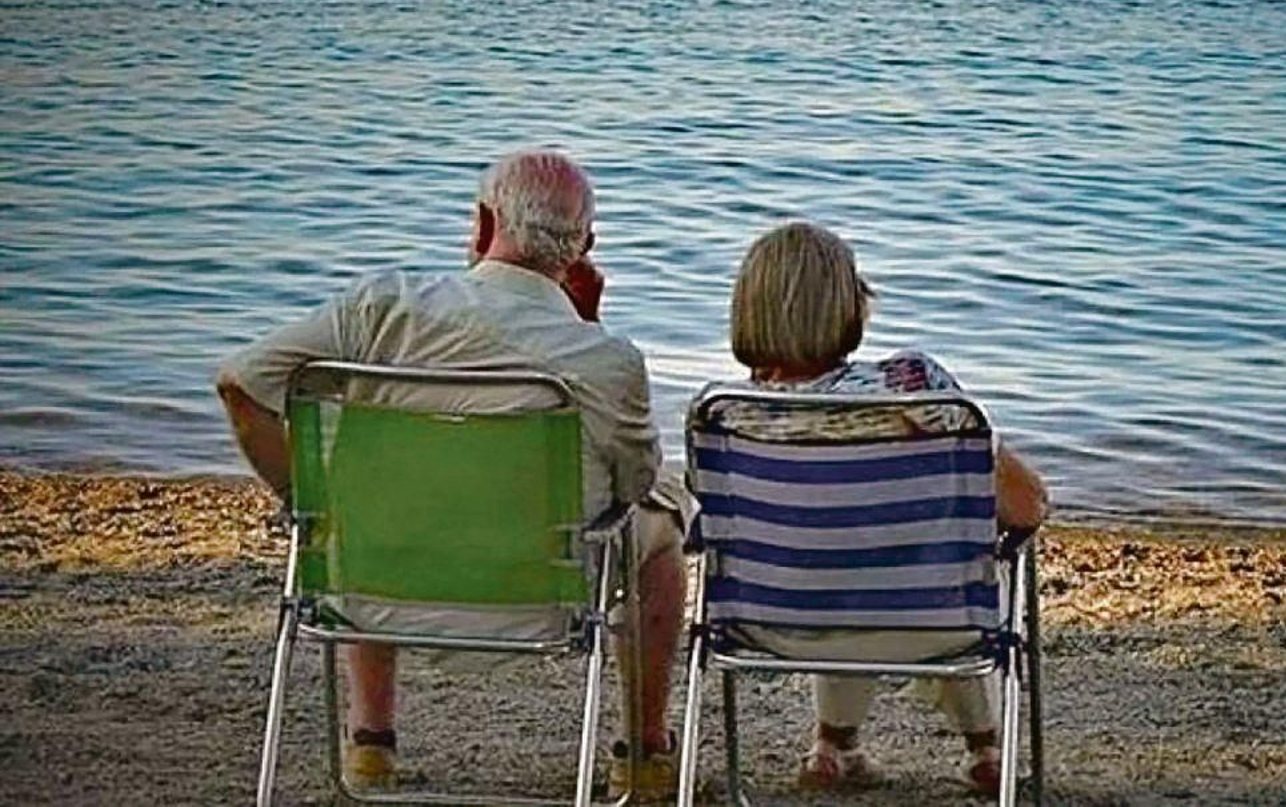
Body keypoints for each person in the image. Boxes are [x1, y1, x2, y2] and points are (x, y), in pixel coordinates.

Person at [216, 148, 686, 800]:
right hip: (538, 605)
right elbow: (633, 484)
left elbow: (240, 386)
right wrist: (586, 326)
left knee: (371, 493)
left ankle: (370, 746)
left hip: (376, 589)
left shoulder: (379, 306)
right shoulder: (604, 357)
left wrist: (311, 506)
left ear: (483, 220)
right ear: (584, 249)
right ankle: (643, 753)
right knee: (663, 521)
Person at [713, 221, 1049, 797]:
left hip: (770, 623)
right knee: (933, 559)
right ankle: (987, 748)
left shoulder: (727, 416)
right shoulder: (915, 386)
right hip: (932, 624)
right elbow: (1026, 507)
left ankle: (832, 747)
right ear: (847, 306)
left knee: (834, 556)